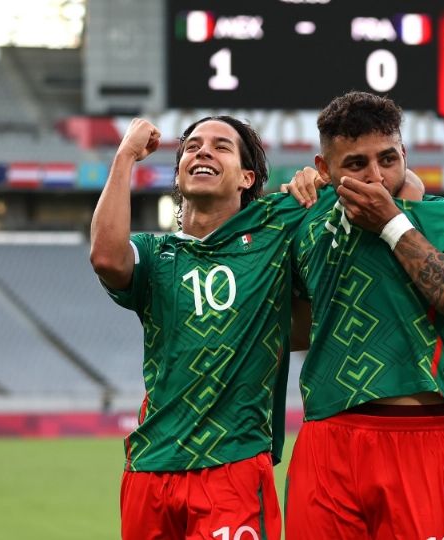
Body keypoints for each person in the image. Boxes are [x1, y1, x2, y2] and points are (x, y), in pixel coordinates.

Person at [282, 91, 444, 540]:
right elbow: (294, 331)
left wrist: (391, 222)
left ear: (405, 154)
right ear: (324, 170)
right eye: (356, 164)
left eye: (388, 158)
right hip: (326, 438)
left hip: (418, 438)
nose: (377, 177)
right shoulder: (306, 222)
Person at [90, 115, 306, 540]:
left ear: (247, 177)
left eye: (221, 146)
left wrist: (313, 180)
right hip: (151, 468)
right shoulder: (155, 255)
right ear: (178, 175)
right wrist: (126, 155)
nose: (202, 150)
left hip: (233, 465)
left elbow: (385, 184)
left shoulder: (274, 235)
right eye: (192, 146)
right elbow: (106, 258)